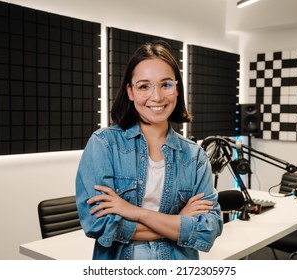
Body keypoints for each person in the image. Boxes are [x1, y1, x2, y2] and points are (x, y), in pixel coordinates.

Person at [75, 41, 223, 260]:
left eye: (166, 85)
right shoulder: (104, 145)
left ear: (177, 88)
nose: (157, 97)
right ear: (130, 91)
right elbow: (98, 224)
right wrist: (178, 222)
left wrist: (135, 212)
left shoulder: (194, 156)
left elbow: (208, 228)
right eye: (144, 86)